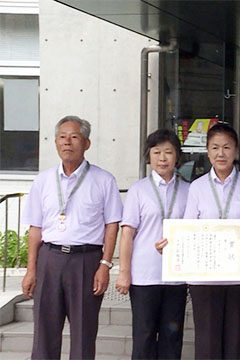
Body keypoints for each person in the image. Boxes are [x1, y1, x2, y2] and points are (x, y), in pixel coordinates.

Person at [21, 115, 123, 359]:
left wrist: (105, 265)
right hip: (50, 258)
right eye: (62, 137)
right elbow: (35, 228)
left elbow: (112, 225)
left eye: (74, 137)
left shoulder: (103, 180)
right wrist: (31, 268)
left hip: (86, 261)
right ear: (55, 142)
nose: (67, 142)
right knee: (44, 331)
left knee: (83, 332)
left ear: (86, 143)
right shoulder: (43, 181)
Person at [177, 123, 240, 359]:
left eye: (227, 147)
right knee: (206, 341)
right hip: (204, 277)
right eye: (215, 147)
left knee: (234, 340)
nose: (221, 153)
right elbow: (187, 228)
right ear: (207, 151)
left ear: (236, 151)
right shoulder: (197, 187)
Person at [114, 129, 189, 359]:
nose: (163, 158)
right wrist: (124, 272)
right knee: (144, 336)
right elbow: (127, 234)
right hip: (145, 275)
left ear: (177, 156)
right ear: (149, 156)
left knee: (172, 336)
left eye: (168, 152)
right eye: (157, 152)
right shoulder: (138, 190)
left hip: (177, 275)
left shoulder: (189, 189)